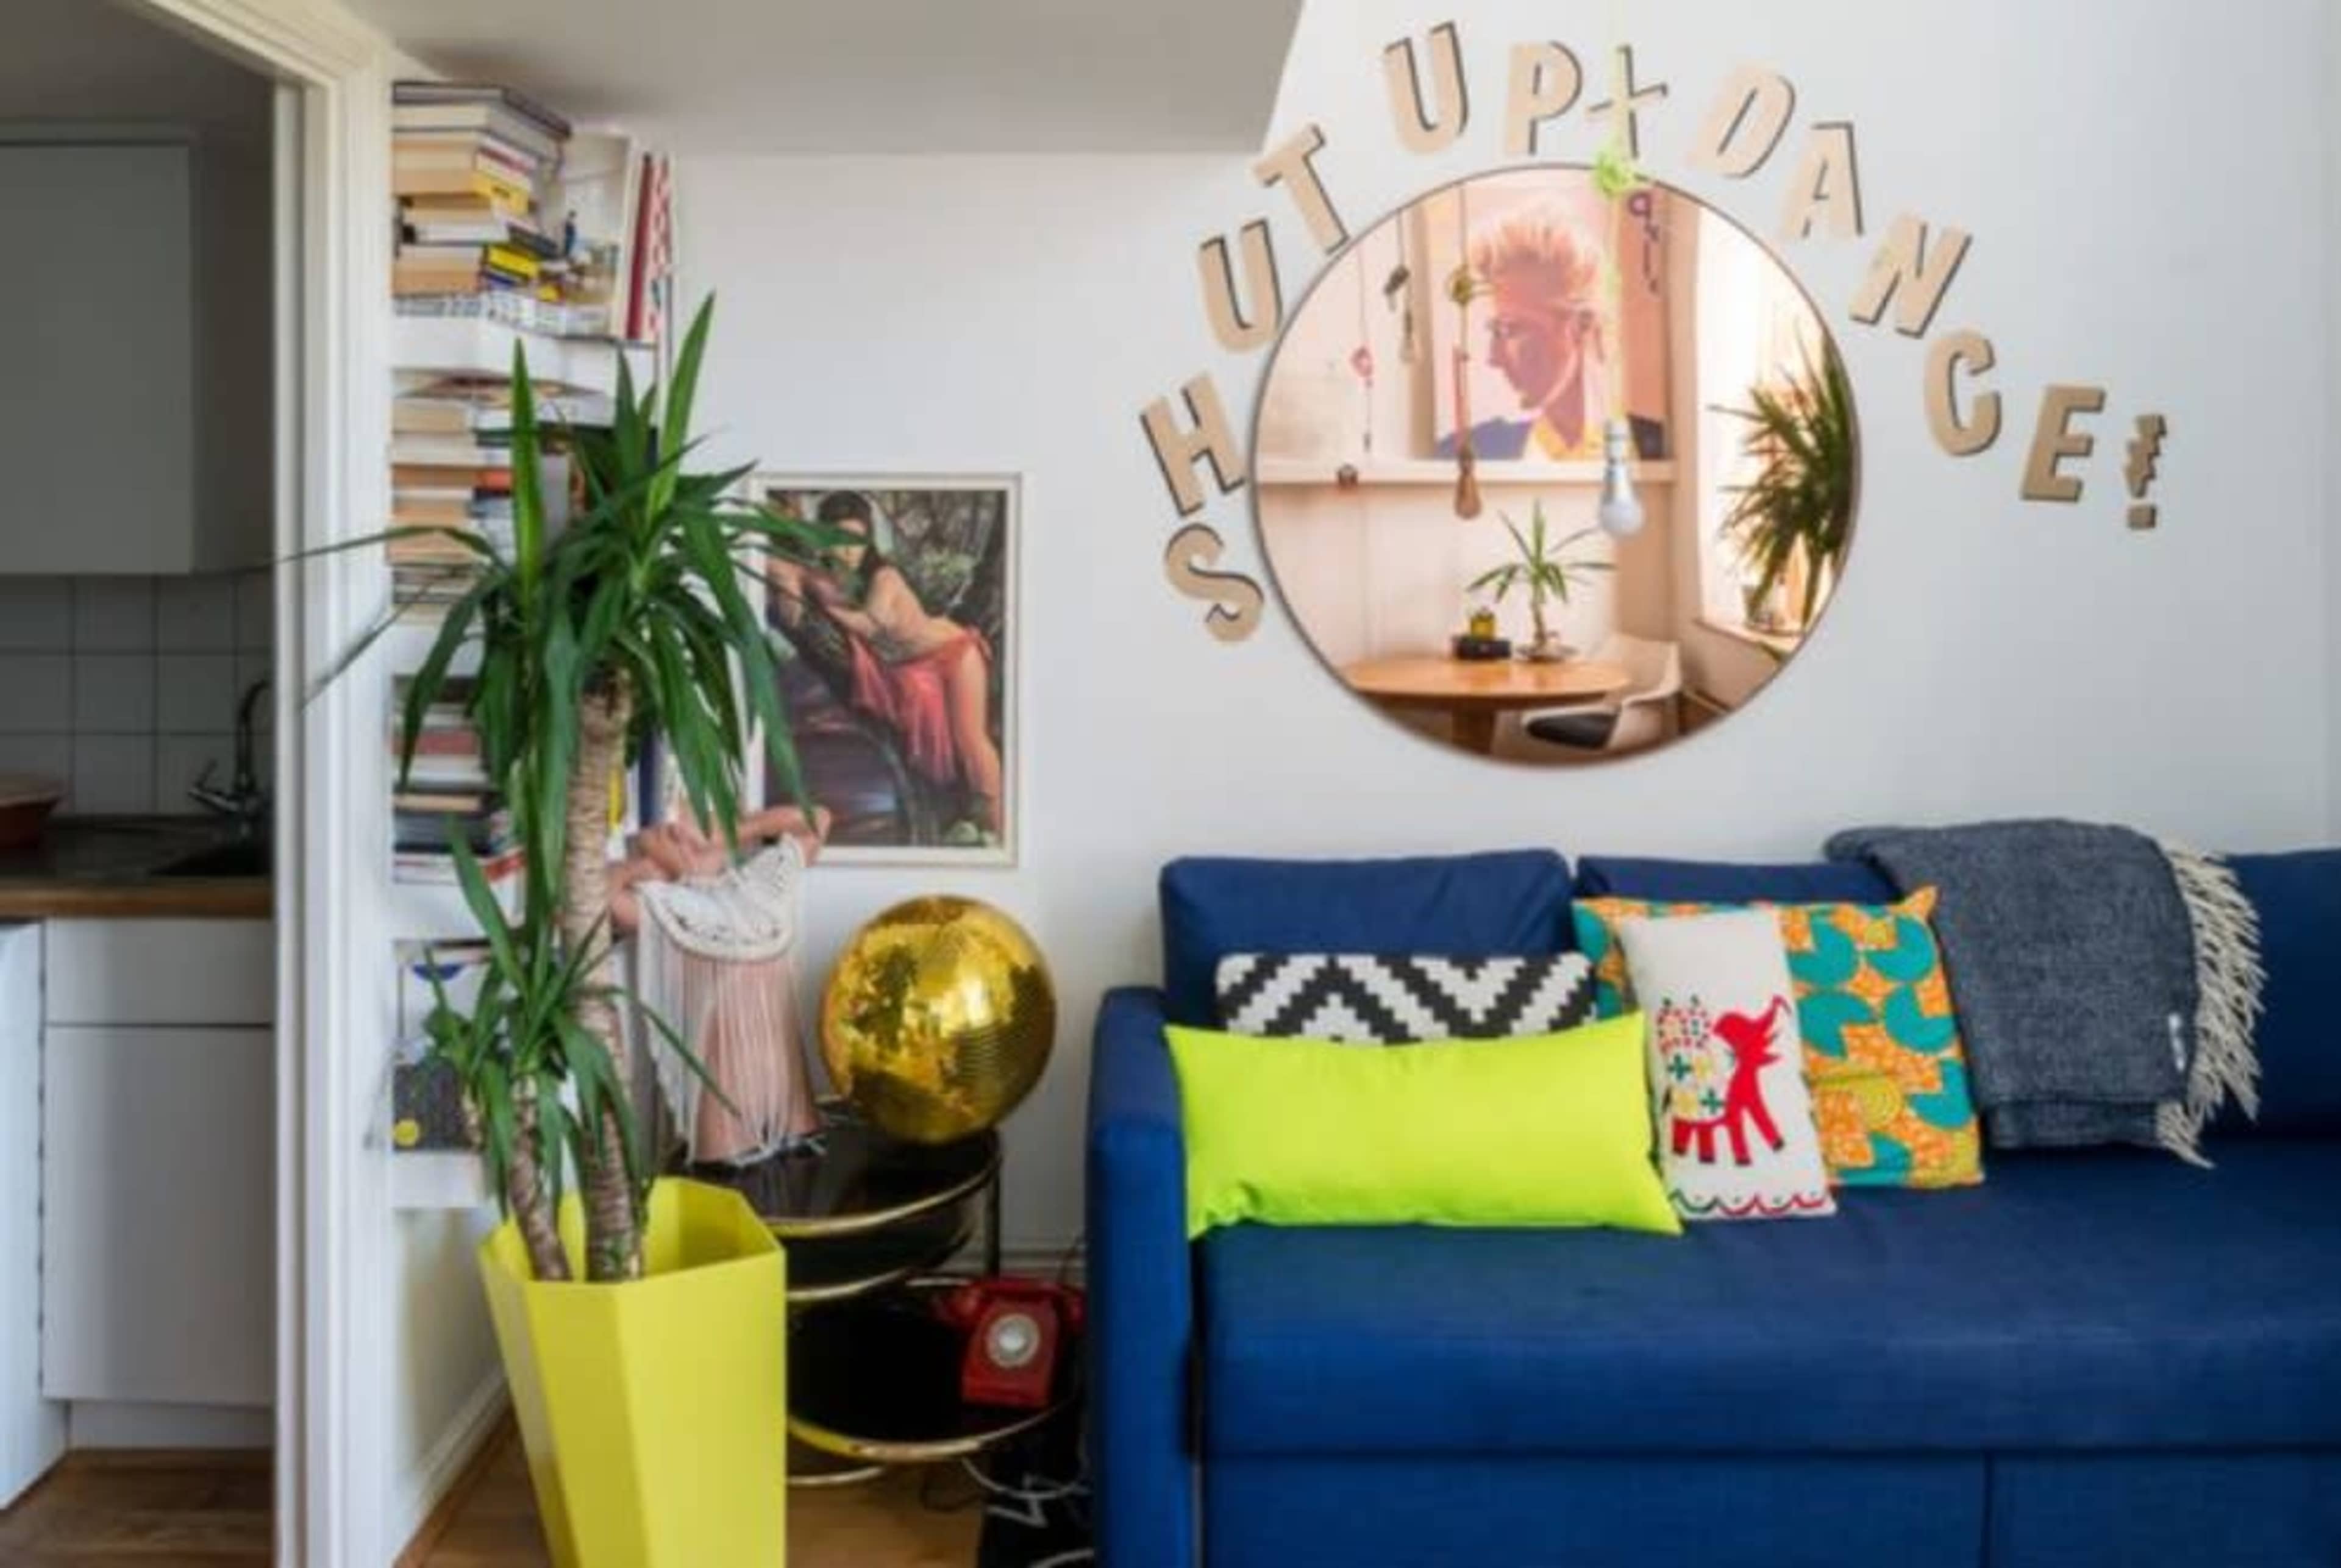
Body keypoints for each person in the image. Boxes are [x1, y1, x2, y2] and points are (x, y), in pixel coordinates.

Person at [769, 491, 1005, 841]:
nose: (848, 551)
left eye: (857, 542)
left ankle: (998, 823)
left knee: (971, 742)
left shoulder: (885, 577)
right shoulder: (829, 576)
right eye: (838, 541)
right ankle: (965, 824)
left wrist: (825, 610)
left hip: (954, 653)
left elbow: (871, 623)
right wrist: (791, 586)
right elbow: (782, 569)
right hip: (913, 667)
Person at [1436, 208, 1665, 463]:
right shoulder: (1468, 452)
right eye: (1495, 331)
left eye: (1510, 330)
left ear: (1581, 326)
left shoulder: (1658, 447)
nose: (1494, 358)